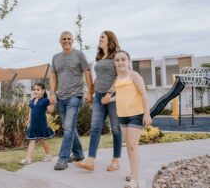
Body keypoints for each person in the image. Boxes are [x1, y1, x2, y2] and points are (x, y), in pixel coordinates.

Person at [74, 31, 122, 171]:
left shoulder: (117, 56)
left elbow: (119, 76)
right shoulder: (100, 57)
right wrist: (90, 92)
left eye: (102, 37)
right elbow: (98, 78)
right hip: (99, 97)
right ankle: (90, 161)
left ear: (110, 39)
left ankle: (115, 161)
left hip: (112, 97)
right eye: (99, 37)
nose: (99, 39)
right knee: (95, 127)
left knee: (115, 129)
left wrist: (109, 93)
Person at [50, 31, 93, 170]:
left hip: (75, 96)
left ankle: (63, 159)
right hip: (61, 97)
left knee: (68, 127)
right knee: (70, 127)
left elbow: (87, 72)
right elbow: (53, 76)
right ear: (60, 41)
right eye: (64, 39)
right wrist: (52, 94)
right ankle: (79, 153)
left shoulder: (79, 55)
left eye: (69, 38)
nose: (66, 41)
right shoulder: (55, 57)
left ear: (72, 40)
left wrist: (89, 92)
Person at [114, 50, 152, 188]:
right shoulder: (117, 78)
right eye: (117, 60)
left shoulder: (134, 75)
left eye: (123, 59)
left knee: (132, 145)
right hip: (122, 115)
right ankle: (133, 173)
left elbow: (144, 94)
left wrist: (147, 114)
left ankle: (134, 180)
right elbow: (120, 95)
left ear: (129, 61)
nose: (120, 62)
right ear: (115, 63)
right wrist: (108, 98)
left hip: (136, 115)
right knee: (129, 147)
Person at [19, 83, 55, 165]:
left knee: (43, 140)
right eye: (34, 89)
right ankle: (28, 159)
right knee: (32, 141)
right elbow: (30, 112)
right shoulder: (32, 101)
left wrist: (52, 103)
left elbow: (51, 110)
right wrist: (28, 121)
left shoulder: (45, 100)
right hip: (33, 125)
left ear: (43, 91)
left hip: (42, 124)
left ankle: (48, 156)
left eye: (38, 90)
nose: (36, 91)